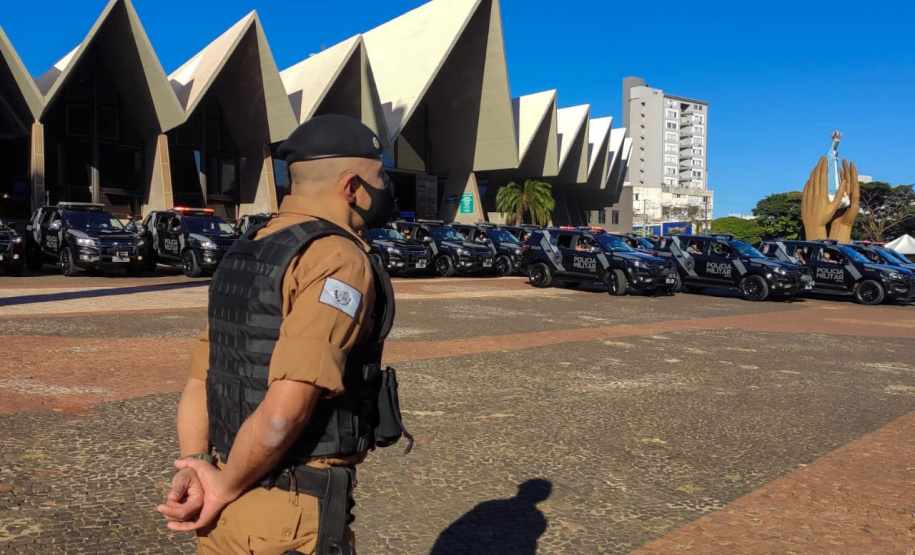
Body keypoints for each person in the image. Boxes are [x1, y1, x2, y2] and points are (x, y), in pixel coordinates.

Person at [156, 115, 409, 555]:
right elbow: (282, 414)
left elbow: (202, 378)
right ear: (352, 187)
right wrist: (222, 487)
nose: (386, 185)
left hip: (228, 512)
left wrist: (198, 464)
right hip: (284, 513)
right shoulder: (336, 258)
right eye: (380, 175)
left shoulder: (251, 246)